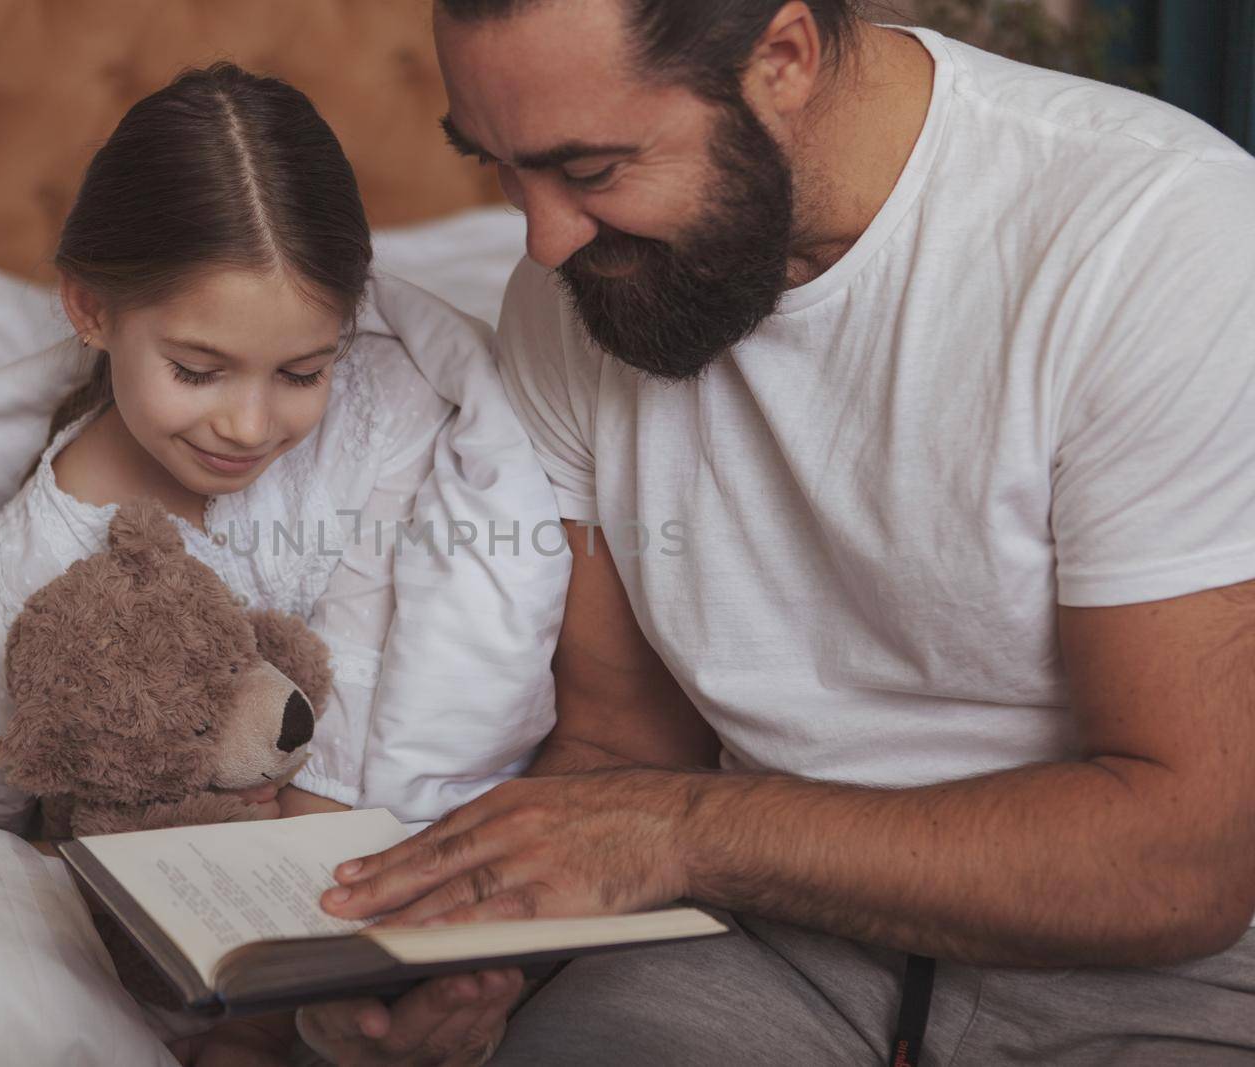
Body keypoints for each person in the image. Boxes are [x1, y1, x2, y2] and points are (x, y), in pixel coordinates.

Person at [298, 2, 1255, 1064]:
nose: (543, 238)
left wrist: (685, 830)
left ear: (782, 60)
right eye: (499, 168)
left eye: (590, 168)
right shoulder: (575, 295)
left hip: (1151, 972)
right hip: (765, 941)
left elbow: (1184, 861)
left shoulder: (1153, 238)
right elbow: (622, 750)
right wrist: (425, 965)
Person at [0, 63, 566, 1064]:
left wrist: (329, 876)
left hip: (359, 844)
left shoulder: (382, 409)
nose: (251, 424)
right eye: (197, 370)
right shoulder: (22, 575)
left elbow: (392, 663)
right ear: (89, 308)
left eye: (302, 370)